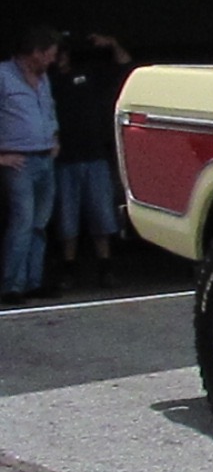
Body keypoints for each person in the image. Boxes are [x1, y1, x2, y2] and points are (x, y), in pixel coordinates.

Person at [52, 32, 134, 289]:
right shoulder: (46, 80)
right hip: (64, 159)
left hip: (95, 155)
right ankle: (68, 270)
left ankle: (106, 268)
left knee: (102, 216)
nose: (60, 56)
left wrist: (112, 43)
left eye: (63, 51)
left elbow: (126, 66)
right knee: (67, 219)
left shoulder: (91, 74)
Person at [0, 25, 62, 303]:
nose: (52, 60)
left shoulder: (43, 77)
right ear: (35, 53)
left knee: (40, 223)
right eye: (49, 54)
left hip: (45, 156)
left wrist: (55, 135)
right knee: (22, 221)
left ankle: (33, 281)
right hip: (18, 160)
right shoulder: (2, 76)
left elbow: (48, 109)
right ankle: (12, 285)